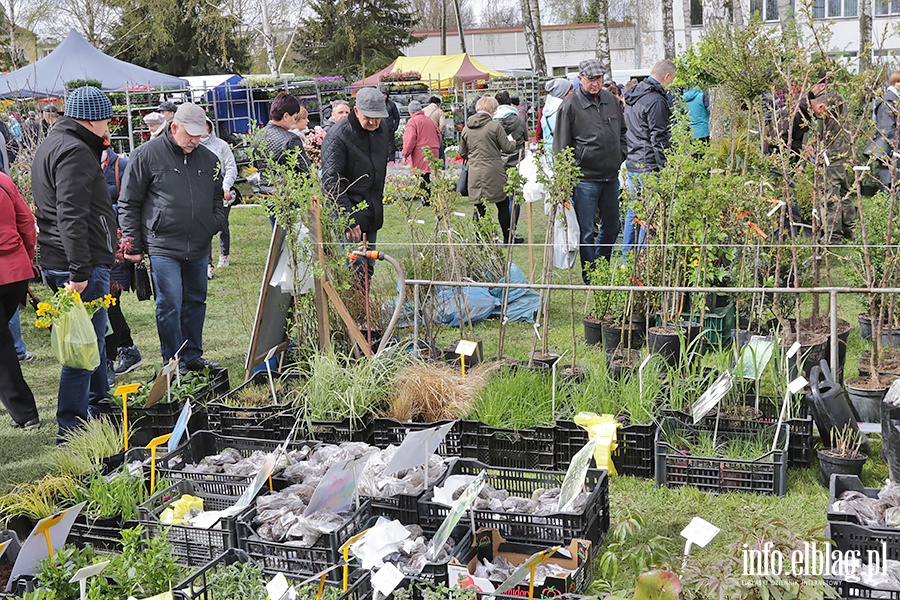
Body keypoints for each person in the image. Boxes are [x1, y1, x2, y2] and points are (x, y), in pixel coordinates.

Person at [32, 86, 116, 437]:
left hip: (61, 258)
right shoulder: (75, 151)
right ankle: (71, 426)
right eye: (108, 119)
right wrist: (80, 270)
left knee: (92, 338)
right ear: (93, 120)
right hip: (77, 263)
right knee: (81, 347)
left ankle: (100, 403)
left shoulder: (55, 142)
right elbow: (70, 213)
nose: (110, 126)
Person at [119, 103, 225, 373]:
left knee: (196, 302)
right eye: (190, 134)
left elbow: (217, 197)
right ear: (174, 127)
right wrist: (132, 242)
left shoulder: (209, 160)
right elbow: (129, 202)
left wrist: (214, 222)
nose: (195, 141)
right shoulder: (146, 155)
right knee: (170, 303)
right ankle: (173, 361)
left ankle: (192, 356)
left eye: (199, 135)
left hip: (199, 245)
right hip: (162, 245)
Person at [554, 59, 627, 279]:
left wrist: (621, 153)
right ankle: (590, 275)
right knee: (586, 231)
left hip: (610, 176)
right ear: (580, 79)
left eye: (599, 79)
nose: (595, 83)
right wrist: (565, 179)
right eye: (591, 79)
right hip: (584, 179)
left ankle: (602, 268)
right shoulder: (569, 105)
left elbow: (623, 132)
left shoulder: (611, 101)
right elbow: (561, 146)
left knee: (612, 227)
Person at [320, 87, 391, 278]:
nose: (373, 121)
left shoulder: (382, 129)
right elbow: (331, 181)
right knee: (353, 269)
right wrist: (348, 220)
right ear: (356, 111)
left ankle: (364, 306)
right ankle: (352, 307)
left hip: (371, 210)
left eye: (377, 117)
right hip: (348, 212)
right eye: (368, 116)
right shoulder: (338, 136)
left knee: (368, 268)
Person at [622, 59, 677, 258]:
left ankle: (627, 257)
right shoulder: (655, 100)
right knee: (650, 212)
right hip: (648, 163)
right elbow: (659, 136)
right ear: (667, 76)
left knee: (633, 211)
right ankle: (645, 257)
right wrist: (665, 167)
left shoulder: (633, 96)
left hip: (633, 159)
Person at [0, 171, 40, 430]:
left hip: (12, 268)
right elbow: (26, 222)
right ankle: (24, 412)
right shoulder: (4, 180)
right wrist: (26, 258)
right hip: (14, 270)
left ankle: (25, 412)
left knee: (2, 348)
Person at [102, 144, 142, 379]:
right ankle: (127, 348)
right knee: (108, 303)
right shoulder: (83, 166)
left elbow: (131, 204)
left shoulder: (121, 166)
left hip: (118, 244)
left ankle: (110, 357)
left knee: (110, 301)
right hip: (94, 242)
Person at [459, 95, 517, 243]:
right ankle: (508, 237)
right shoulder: (495, 126)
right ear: (492, 109)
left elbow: (462, 152)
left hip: (474, 171)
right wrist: (513, 142)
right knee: (502, 204)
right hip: (494, 170)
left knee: (479, 207)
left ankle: (481, 240)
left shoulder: (466, 128)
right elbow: (508, 148)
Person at [808, 91, 855, 243]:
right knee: (845, 192)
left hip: (832, 157)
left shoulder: (825, 112)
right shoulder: (839, 102)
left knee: (830, 197)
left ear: (821, 106)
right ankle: (851, 229)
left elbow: (819, 131)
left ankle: (833, 235)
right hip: (844, 154)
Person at [256, 93, 311, 204]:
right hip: (288, 195)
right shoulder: (291, 139)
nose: (294, 122)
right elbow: (306, 169)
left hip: (266, 194)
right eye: (294, 118)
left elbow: (255, 163)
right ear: (286, 116)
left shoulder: (258, 135)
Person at [200, 117, 238, 275]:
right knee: (204, 228)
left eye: (205, 126)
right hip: (202, 191)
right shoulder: (193, 146)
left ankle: (224, 254)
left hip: (221, 190)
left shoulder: (221, 145)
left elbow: (230, 167)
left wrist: (226, 186)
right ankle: (207, 263)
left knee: (222, 224)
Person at [401, 100, 441, 202]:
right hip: (433, 149)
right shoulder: (428, 120)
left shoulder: (413, 121)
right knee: (428, 175)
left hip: (421, 151)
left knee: (422, 176)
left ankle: (426, 200)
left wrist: (405, 154)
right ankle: (431, 198)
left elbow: (409, 139)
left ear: (411, 112)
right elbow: (438, 134)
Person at [870, 71, 900, 194]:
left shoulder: (895, 100)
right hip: (891, 151)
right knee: (891, 188)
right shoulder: (887, 102)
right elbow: (887, 130)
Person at [540, 78, 573, 154]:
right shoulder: (559, 111)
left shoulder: (548, 109)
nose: (573, 93)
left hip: (551, 152)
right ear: (563, 93)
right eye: (570, 91)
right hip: (560, 155)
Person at [380, 87, 401, 160]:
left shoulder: (392, 104)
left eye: (385, 94)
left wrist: (395, 127)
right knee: (381, 145)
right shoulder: (378, 104)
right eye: (382, 94)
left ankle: (392, 160)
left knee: (391, 146)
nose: (384, 96)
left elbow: (397, 117)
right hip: (380, 129)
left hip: (389, 129)